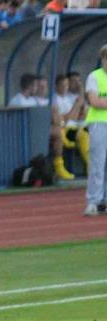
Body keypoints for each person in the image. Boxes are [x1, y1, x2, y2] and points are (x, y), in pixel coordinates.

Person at [83, 44, 107, 216]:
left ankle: (104, 201)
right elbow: (94, 101)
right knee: (98, 164)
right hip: (99, 123)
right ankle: (93, 201)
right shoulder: (94, 76)